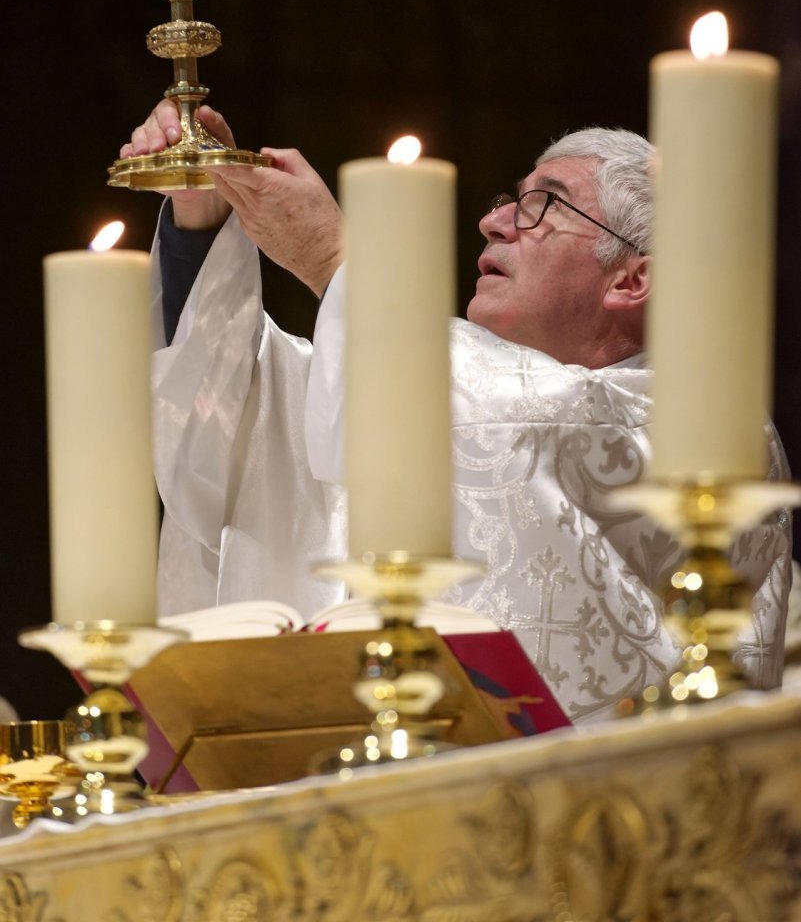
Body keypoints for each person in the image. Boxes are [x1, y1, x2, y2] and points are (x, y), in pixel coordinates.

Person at [126, 102, 793, 723]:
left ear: (630, 279)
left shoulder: (703, 423)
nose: (495, 219)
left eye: (543, 206)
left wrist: (337, 260)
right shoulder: (439, 387)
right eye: (510, 200)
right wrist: (201, 221)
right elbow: (242, 423)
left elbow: (525, 422)